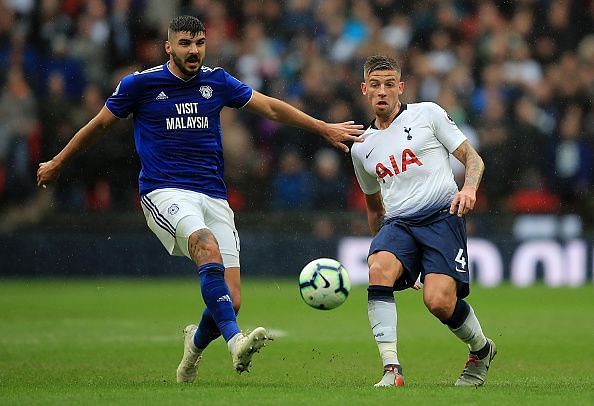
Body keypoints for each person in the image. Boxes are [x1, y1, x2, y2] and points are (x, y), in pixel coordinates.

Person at [36, 15, 364, 383]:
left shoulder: (216, 80)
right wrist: (59, 162)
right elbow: (98, 125)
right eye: (185, 44)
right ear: (168, 47)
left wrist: (322, 127)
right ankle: (235, 342)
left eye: (199, 43)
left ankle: (193, 346)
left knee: (232, 299)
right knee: (205, 247)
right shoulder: (140, 85)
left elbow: (270, 107)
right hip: (165, 190)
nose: (193, 51)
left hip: (213, 195)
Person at [350, 55, 496, 388]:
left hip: (442, 217)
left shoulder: (428, 114)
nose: (382, 91)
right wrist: (388, 256)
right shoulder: (362, 148)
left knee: (438, 302)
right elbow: (374, 207)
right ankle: (391, 370)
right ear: (364, 90)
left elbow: (473, 159)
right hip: (399, 224)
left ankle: (482, 350)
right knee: (378, 269)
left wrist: (469, 188)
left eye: (389, 84)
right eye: (375, 85)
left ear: (401, 87)